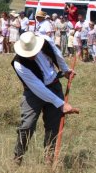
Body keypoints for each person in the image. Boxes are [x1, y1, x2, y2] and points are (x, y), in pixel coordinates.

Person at [11, 32, 79, 165]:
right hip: (33, 92)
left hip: (54, 85)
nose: (30, 55)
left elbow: (57, 55)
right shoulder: (19, 63)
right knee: (27, 125)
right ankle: (18, 158)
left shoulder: (46, 41)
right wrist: (61, 104)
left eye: (32, 52)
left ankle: (49, 158)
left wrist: (65, 70)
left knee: (54, 125)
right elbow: (37, 88)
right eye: (27, 53)